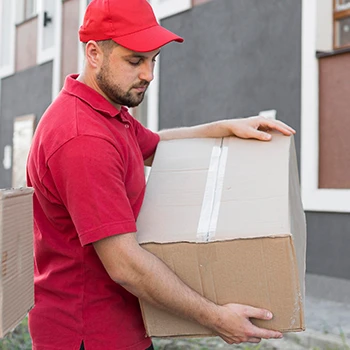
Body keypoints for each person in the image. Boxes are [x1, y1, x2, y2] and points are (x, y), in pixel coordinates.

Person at [26, 0, 296, 349]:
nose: (148, 74)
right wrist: (216, 317)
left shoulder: (107, 115)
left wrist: (226, 128)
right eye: (135, 60)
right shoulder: (82, 138)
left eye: (153, 60)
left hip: (119, 326)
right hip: (89, 335)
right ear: (94, 53)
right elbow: (125, 265)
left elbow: (157, 146)